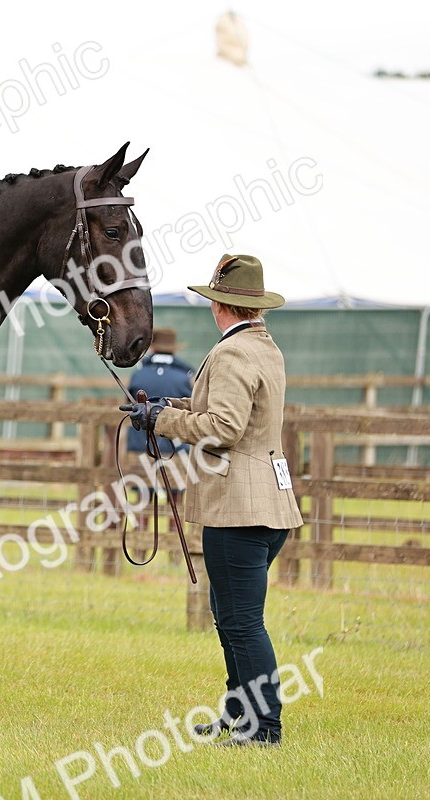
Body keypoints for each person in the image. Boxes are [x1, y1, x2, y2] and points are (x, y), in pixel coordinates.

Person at [123, 254, 303, 747]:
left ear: (219, 304)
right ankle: (238, 713)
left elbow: (224, 428)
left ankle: (264, 727)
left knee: (241, 622)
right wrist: (164, 408)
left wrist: (160, 422)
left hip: (239, 507)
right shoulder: (264, 347)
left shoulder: (231, 354)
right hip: (269, 504)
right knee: (230, 616)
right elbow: (222, 410)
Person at [124, 327, 194, 531]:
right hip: (176, 448)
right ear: (174, 349)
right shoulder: (185, 376)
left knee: (144, 497)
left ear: (153, 347)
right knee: (175, 499)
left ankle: (140, 545)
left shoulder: (139, 375)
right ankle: (173, 546)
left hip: (141, 446)